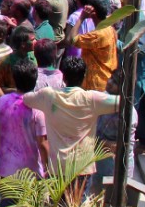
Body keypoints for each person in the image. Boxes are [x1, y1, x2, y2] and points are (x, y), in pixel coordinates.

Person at [23, 54, 119, 193]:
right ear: (84, 76)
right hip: (82, 167)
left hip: (57, 166)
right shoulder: (92, 99)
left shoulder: (49, 96)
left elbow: (26, 98)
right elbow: (122, 103)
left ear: (64, 77)